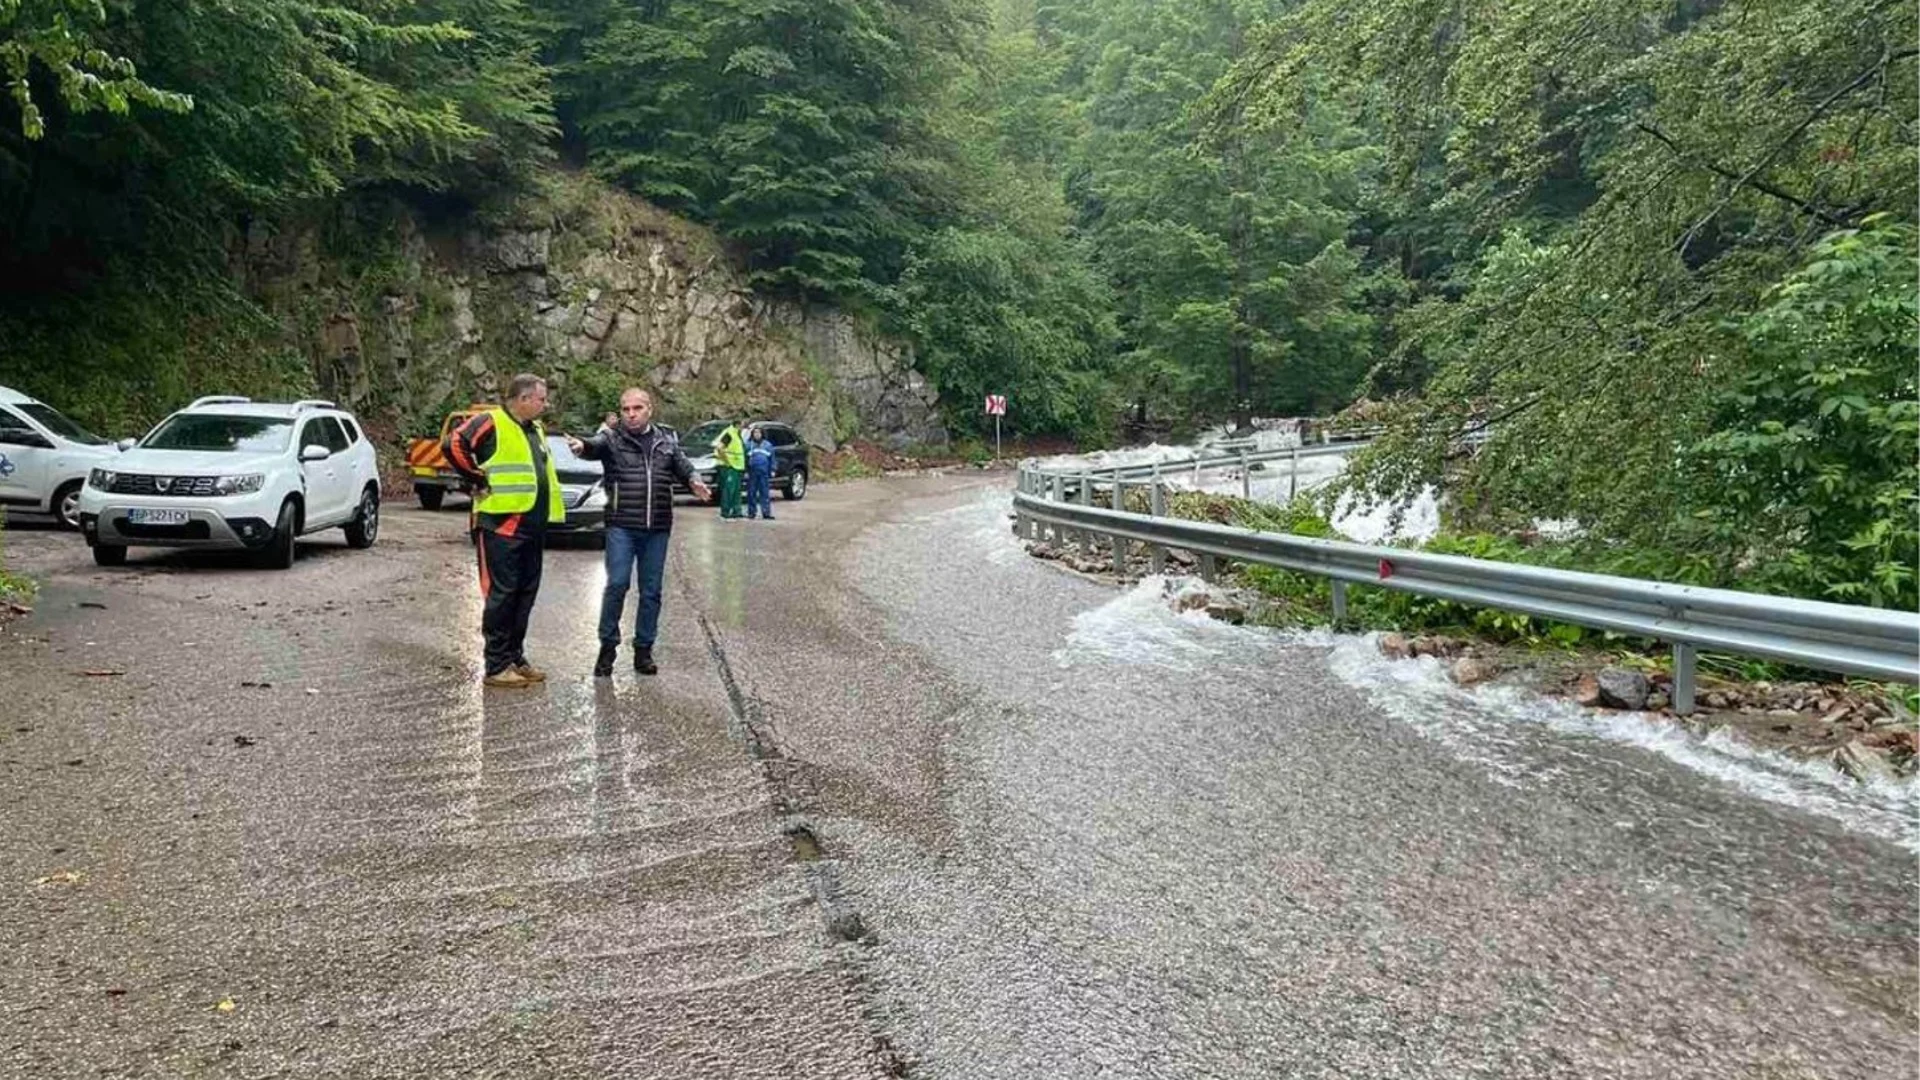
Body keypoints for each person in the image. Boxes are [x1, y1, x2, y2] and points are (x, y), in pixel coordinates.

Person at [567, 388, 713, 676]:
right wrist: (582, 446)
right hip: (622, 526)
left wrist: (694, 480)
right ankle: (607, 647)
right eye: (625, 409)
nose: (631, 414)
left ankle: (644, 650)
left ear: (650, 409)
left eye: (637, 408)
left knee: (651, 593)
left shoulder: (665, 442)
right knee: (617, 584)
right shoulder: (612, 438)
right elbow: (593, 445)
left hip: (657, 528)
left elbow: (684, 467)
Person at [443, 374, 566, 688]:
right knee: (502, 595)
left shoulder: (534, 429)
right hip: (501, 525)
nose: (545, 404)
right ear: (523, 399)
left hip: (532, 525)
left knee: (525, 594)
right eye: (541, 398)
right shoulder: (491, 421)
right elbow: (454, 443)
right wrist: (476, 478)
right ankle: (496, 665)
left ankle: (515, 657)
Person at [711, 418, 745, 519]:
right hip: (730, 466)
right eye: (743, 423)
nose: (744, 426)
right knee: (729, 490)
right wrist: (726, 461)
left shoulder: (736, 433)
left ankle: (736, 510)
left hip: (736, 466)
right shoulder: (729, 433)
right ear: (738, 424)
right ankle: (726, 511)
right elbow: (720, 447)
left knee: (736, 491)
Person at [744, 425, 777, 520]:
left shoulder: (768, 445)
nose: (757, 434)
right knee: (751, 493)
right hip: (752, 472)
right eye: (755, 433)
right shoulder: (748, 445)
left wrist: (773, 469)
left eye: (758, 432)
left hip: (764, 472)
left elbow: (772, 459)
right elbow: (745, 459)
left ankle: (766, 512)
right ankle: (751, 512)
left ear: (762, 434)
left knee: (764, 493)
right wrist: (745, 471)